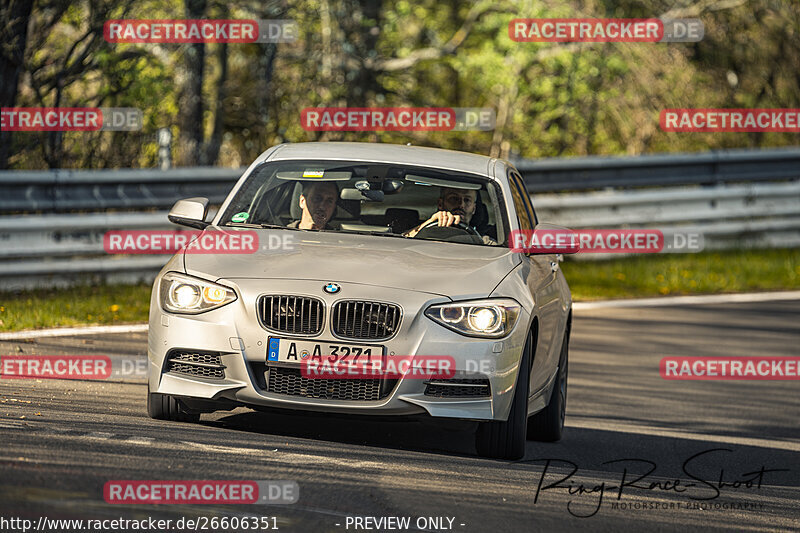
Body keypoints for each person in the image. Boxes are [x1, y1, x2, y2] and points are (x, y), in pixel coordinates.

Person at [404, 187, 495, 244]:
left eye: (467, 200)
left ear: (474, 209)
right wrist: (429, 223)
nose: (461, 205)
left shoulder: (485, 241)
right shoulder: (421, 234)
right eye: (454, 199)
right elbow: (401, 241)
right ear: (440, 204)